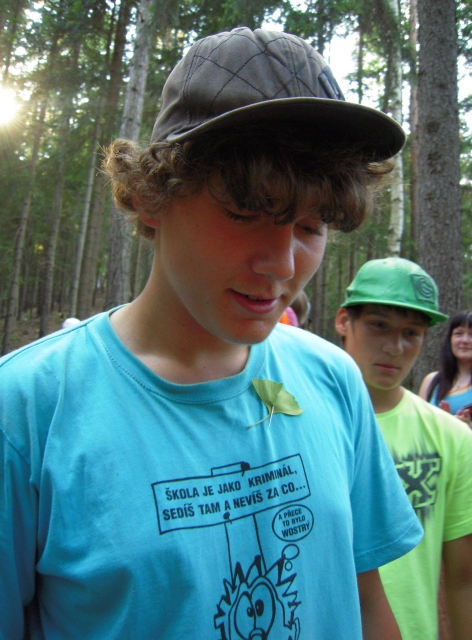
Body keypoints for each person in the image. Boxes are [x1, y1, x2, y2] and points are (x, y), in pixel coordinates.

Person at [0, 28, 422, 639]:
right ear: (149, 198)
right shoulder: (28, 412)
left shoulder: (332, 378)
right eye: (245, 212)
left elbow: (366, 601)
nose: (283, 265)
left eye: (312, 226)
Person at [335, 257, 472, 640]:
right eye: (379, 325)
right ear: (344, 321)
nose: (395, 347)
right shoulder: (293, 423)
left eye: (411, 333)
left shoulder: (452, 438)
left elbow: (467, 578)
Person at [419, 310, 472, 435]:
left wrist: (470, 426)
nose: (464, 340)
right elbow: (418, 427)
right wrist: (443, 422)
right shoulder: (432, 381)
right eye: (458, 334)